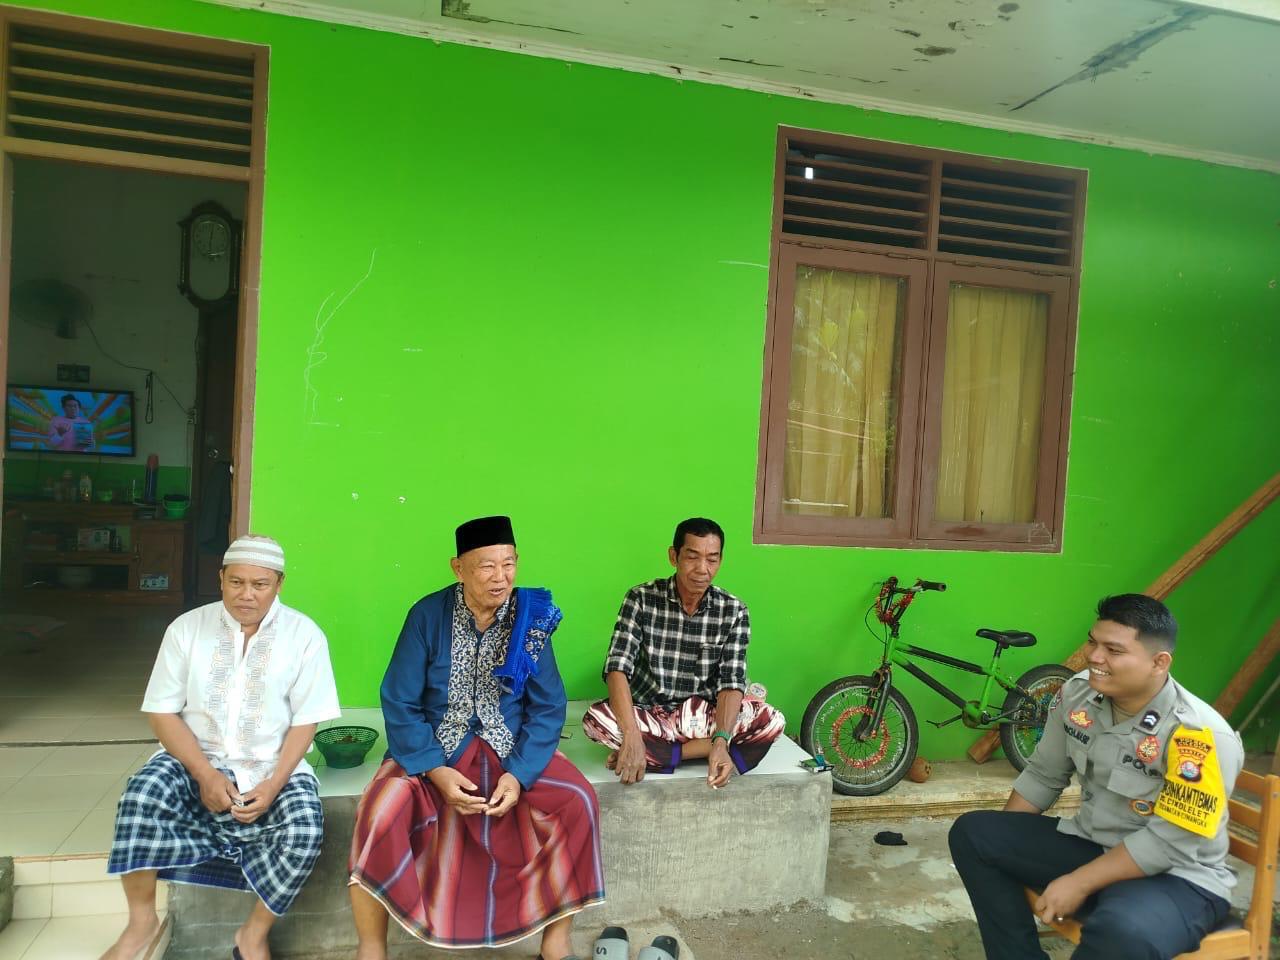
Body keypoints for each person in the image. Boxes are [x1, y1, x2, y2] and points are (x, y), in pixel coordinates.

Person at [347, 516, 604, 960]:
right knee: (379, 810)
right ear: (458, 568)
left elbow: (548, 706)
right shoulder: (427, 616)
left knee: (579, 800)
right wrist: (434, 769)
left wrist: (518, 775)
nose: (500, 577)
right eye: (486, 566)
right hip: (432, 749)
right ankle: (370, 950)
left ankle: (556, 945)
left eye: (509, 564)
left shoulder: (531, 619)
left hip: (512, 747)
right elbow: (400, 699)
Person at [949, 594, 1242, 960]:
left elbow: (1171, 843)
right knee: (976, 835)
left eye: (1114, 650)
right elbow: (1043, 775)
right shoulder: (1078, 694)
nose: (1094, 657)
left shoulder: (1199, 735)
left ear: (1159, 662)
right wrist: (1008, 848)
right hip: (1093, 845)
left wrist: (1079, 882)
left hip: (1177, 877)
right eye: (1093, 642)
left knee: (1124, 933)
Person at [101, 535, 340, 960]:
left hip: (271, 765)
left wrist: (272, 785)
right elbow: (162, 712)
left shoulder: (305, 636)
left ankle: (253, 935)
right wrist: (204, 774)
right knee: (142, 795)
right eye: (236, 582)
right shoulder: (187, 629)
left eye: (260, 584)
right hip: (194, 758)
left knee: (304, 828)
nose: (247, 594)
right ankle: (141, 923)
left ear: (279, 584)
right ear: (221, 579)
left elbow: (307, 720)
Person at [583, 517, 785, 788]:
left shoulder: (734, 610)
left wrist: (721, 739)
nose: (702, 569)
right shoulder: (640, 599)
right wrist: (631, 734)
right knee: (596, 720)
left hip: (700, 718)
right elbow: (617, 667)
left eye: (712, 559)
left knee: (771, 720)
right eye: (692, 557)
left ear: (720, 561)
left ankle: (665, 754)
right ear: (673, 556)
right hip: (649, 714)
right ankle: (668, 748)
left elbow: (731, 682)